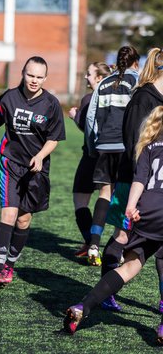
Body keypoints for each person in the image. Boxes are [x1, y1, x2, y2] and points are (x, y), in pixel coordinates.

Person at [62, 105, 163, 344]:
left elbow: (140, 180)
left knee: (129, 267)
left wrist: (131, 207)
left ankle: (83, 306)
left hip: (146, 210)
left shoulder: (148, 147)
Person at [0, 56, 66, 287]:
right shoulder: (9, 97)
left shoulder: (51, 104)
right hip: (10, 163)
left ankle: (10, 263)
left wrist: (40, 155)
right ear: (23, 73)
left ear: (45, 78)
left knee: (24, 220)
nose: (34, 80)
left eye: (39, 77)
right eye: (30, 75)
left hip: (35, 169)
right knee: (8, 214)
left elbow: (54, 137)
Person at [101, 47, 163, 311]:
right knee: (123, 236)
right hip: (134, 181)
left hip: (156, 188)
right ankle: (104, 291)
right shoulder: (142, 99)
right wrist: (144, 183)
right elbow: (133, 145)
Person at [84, 46, 140, 267]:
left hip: (104, 146)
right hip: (126, 147)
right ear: (136, 62)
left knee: (104, 195)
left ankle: (94, 244)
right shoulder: (136, 81)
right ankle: (120, 247)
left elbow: (91, 117)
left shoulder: (105, 82)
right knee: (126, 196)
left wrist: (91, 146)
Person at [68, 62, 111, 259]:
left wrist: (75, 117)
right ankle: (96, 244)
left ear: (99, 78)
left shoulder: (88, 98)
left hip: (91, 156)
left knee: (80, 199)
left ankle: (90, 243)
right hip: (110, 156)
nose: (86, 77)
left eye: (89, 74)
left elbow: (88, 131)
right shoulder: (115, 98)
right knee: (106, 196)